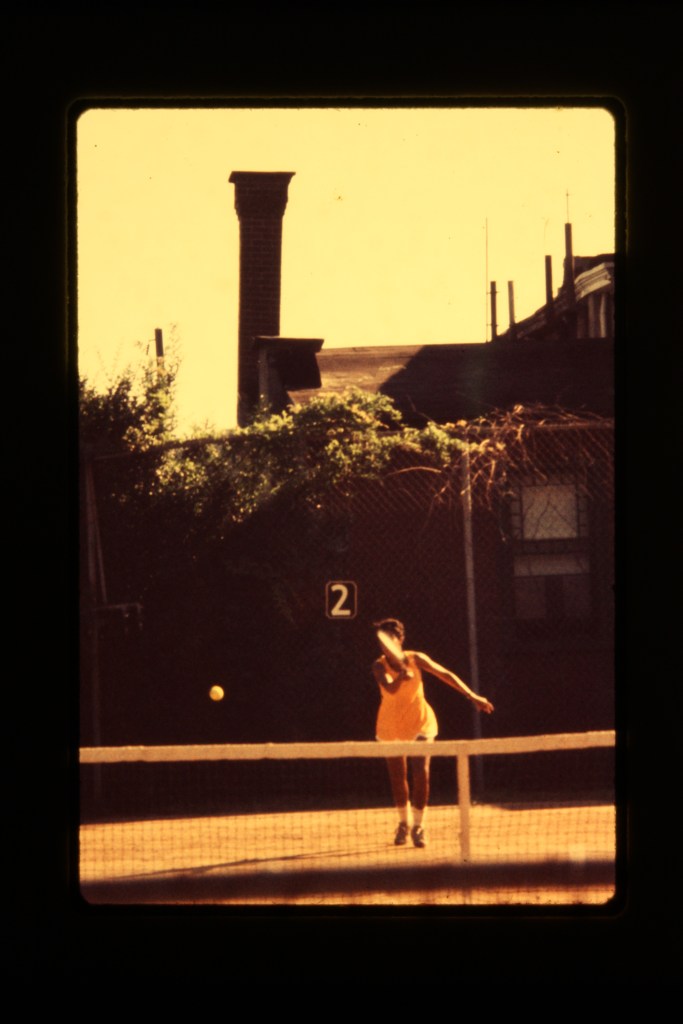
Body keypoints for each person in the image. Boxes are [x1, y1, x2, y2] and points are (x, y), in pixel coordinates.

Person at [372, 618, 494, 848]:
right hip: (390, 726)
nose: (386, 645)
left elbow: (445, 674)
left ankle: (419, 826)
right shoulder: (378, 666)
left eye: (391, 640)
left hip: (420, 722)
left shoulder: (416, 658)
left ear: (401, 640)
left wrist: (472, 696)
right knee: (398, 778)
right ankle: (404, 823)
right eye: (383, 641)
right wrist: (402, 676)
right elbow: (390, 688)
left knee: (422, 773)